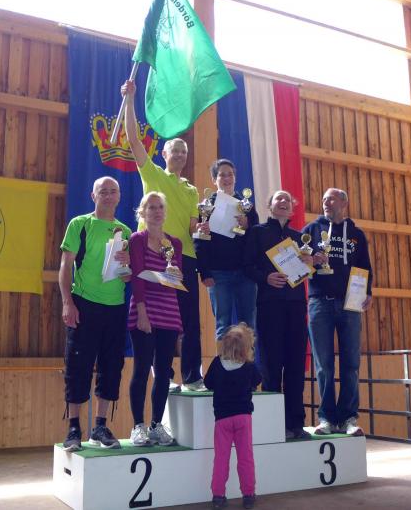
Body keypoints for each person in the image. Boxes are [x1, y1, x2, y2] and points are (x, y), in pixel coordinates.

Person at [122, 80, 206, 392]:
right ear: (164, 153)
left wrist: (201, 229)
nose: (180, 154)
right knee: (159, 317)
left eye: (184, 151)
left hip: (186, 257)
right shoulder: (153, 174)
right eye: (175, 150)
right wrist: (130, 100)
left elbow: (194, 225)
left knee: (189, 320)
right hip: (154, 254)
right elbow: (133, 139)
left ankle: (193, 376)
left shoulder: (192, 189)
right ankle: (164, 373)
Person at [59, 177, 132, 452]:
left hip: (115, 307)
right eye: (104, 192)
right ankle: (73, 428)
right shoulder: (79, 224)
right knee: (77, 365)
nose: (109, 196)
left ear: (119, 196)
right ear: (94, 196)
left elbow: (126, 277)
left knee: (111, 366)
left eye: (113, 191)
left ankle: (100, 426)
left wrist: (129, 266)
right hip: (83, 304)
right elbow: (65, 266)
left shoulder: (126, 231)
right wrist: (68, 302)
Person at [302, 188, 373, 436]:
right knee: (323, 365)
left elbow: (365, 267)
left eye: (331, 199)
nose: (325, 203)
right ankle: (326, 418)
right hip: (319, 303)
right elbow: (297, 261)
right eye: (323, 199)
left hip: (350, 305)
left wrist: (368, 292)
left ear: (344, 202)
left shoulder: (356, 234)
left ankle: (348, 418)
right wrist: (309, 261)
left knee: (351, 363)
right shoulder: (311, 230)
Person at [243, 190, 313, 440]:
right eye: (278, 199)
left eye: (287, 200)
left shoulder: (300, 238)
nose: (283, 202)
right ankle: (274, 426)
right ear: (269, 206)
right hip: (269, 304)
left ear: (292, 208)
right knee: (271, 365)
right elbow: (246, 266)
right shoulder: (257, 232)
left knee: (295, 364)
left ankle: (296, 423)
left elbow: (308, 268)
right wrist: (266, 277)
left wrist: (311, 261)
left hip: (296, 305)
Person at [127, 192, 183, 446]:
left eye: (160, 207)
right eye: (151, 207)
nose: (157, 211)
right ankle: (138, 426)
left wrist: (176, 275)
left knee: (163, 372)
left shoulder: (175, 243)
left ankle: (156, 425)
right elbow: (138, 276)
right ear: (143, 212)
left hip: (169, 312)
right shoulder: (137, 240)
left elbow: (176, 280)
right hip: (144, 310)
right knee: (141, 369)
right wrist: (142, 313)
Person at [195, 159, 259, 338]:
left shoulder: (246, 205)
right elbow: (199, 241)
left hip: (245, 274)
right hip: (218, 274)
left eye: (230, 174)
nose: (226, 178)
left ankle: (248, 358)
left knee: (248, 324)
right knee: (223, 324)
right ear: (214, 180)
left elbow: (257, 237)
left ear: (235, 178)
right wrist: (204, 272)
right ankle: (224, 358)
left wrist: (248, 225)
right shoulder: (206, 206)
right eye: (222, 175)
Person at [204, 323, 262, 510]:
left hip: (222, 419)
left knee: (221, 458)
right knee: (245, 457)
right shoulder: (248, 366)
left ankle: (218, 496)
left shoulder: (217, 363)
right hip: (243, 417)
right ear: (247, 347)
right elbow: (258, 380)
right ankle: (248, 495)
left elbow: (208, 383)